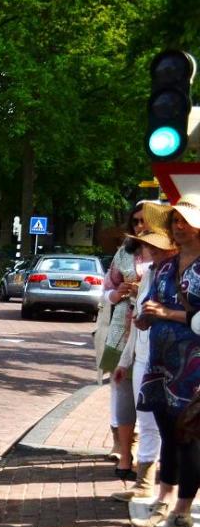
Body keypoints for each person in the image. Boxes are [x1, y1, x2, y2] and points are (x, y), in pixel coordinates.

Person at [131, 193, 200, 527]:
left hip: (194, 367)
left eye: (185, 221)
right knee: (167, 433)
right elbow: (148, 307)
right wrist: (144, 318)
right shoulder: (165, 266)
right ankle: (164, 499)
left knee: (189, 437)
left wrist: (168, 315)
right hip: (161, 364)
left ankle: (182, 513)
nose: (179, 227)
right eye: (175, 221)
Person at [112, 203, 175, 504]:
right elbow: (138, 323)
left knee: (168, 425)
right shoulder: (150, 273)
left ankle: (166, 493)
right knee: (146, 420)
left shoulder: (181, 273)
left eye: (155, 244)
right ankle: (144, 483)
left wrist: (163, 313)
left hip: (169, 361)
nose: (150, 249)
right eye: (149, 244)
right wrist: (125, 360)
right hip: (141, 358)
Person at [97, 202, 153, 484]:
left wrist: (141, 290)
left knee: (145, 389)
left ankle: (145, 452)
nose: (140, 226)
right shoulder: (124, 253)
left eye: (145, 221)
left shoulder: (164, 253)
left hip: (150, 330)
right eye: (136, 221)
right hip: (121, 328)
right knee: (118, 387)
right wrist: (117, 293)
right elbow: (105, 291)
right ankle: (122, 451)